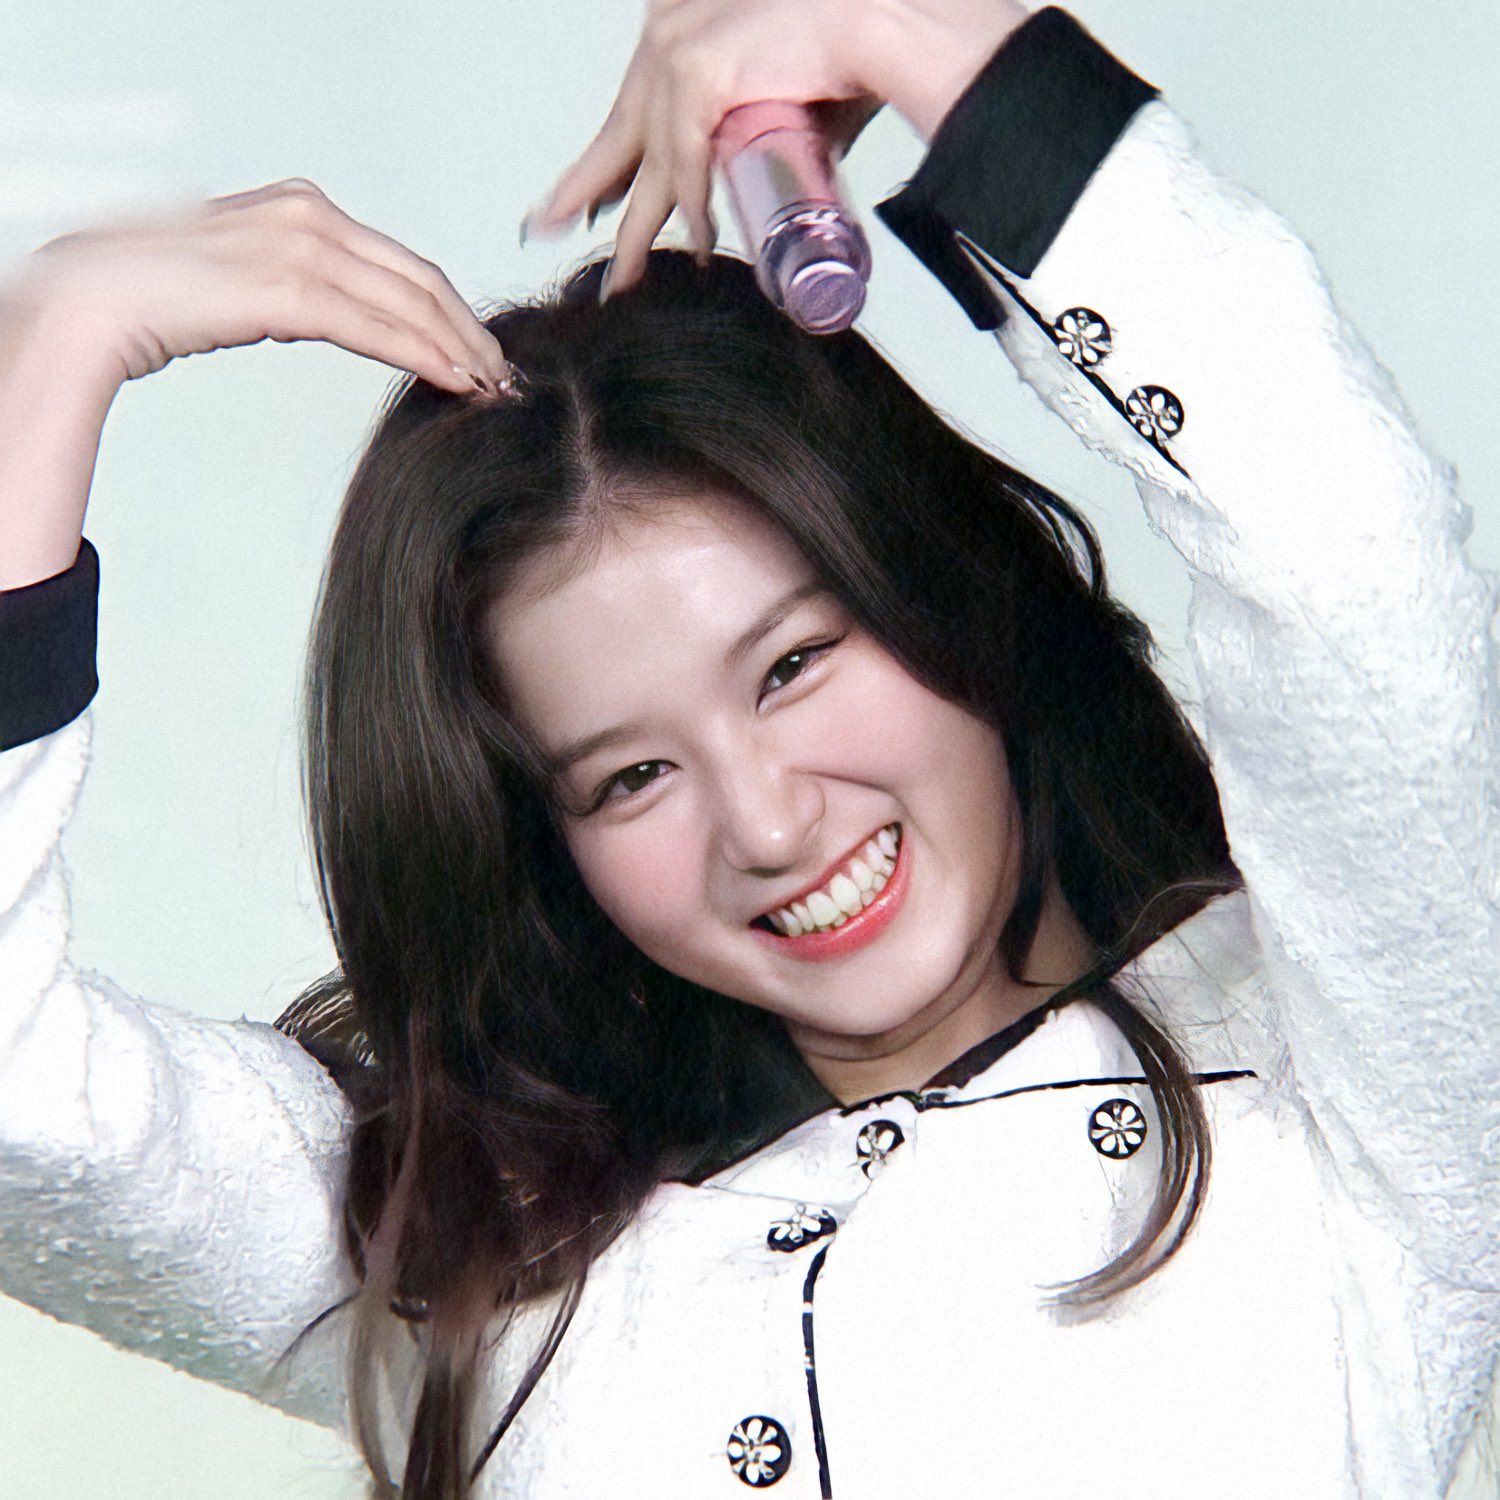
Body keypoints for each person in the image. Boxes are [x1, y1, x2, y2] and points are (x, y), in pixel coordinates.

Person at [0, 2, 1494, 1497]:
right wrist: (50, 342)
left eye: (792, 666)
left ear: (946, 581)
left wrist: (917, 40)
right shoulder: (481, 1240)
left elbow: (1353, 567)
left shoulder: (1352, 1073)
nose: (768, 826)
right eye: (629, 778)